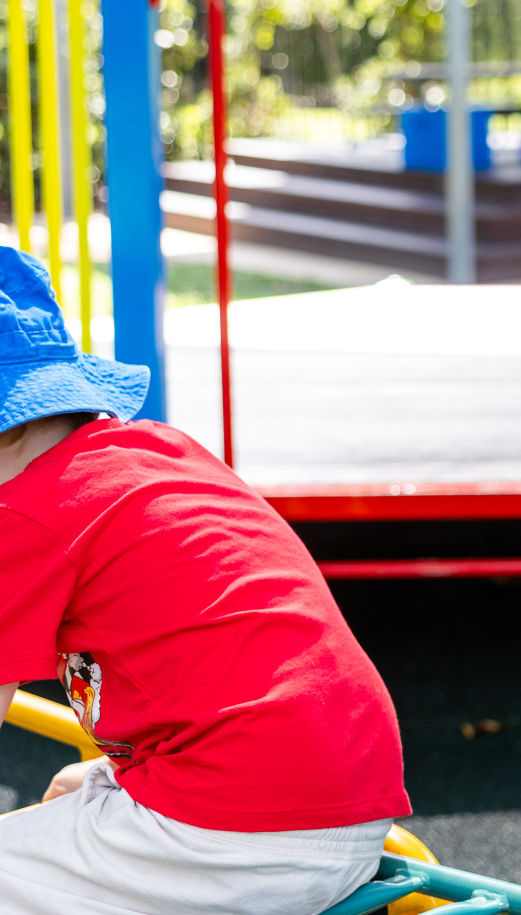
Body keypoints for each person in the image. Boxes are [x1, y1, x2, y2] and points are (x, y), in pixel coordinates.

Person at [0, 248, 409, 915]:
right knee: (71, 790)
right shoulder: (157, 453)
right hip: (344, 802)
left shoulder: (22, 516)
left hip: (234, 833)